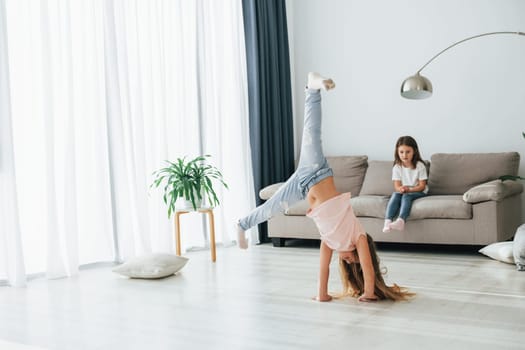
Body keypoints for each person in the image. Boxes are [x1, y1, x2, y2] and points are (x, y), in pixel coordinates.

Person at [236, 73, 413, 302]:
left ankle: (242, 224)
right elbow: (369, 269)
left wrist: (322, 296)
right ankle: (312, 89)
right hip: (317, 172)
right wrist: (369, 294)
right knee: (313, 133)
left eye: (349, 263)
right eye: (353, 259)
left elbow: (323, 270)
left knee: (272, 208)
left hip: (302, 185)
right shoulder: (357, 236)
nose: (348, 259)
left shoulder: (330, 242)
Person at [382, 136, 428, 233]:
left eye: (408, 152)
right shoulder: (397, 167)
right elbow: (397, 186)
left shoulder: (420, 166)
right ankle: (387, 222)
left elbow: (422, 186)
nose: (404, 155)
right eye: (401, 152)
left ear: (414, 151)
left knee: (406, 196)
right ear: (397, 152)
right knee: (395, 194)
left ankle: (401, 221)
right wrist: (401, 189)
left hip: (419, 191)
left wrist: (409, 190)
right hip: (406, 190)